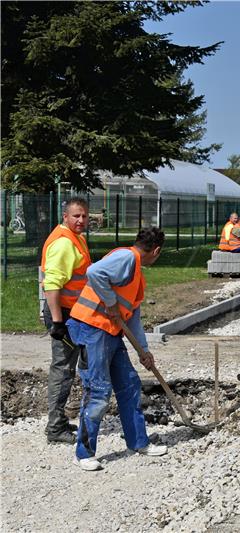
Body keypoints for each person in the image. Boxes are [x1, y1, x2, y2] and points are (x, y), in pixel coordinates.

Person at [66, 227, 168, 471]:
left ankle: (138, 442)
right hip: (92, 329)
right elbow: (94, 272)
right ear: (156, 250)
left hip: (110, 332)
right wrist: (110, 303)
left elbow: (132, 317)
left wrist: (144, 351)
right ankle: (84, 453)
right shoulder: (126, 258)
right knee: (98, 391)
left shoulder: (137, 275)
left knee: (130, 384)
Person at [40, 197, 92, 444]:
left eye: (84, 216)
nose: (81, 220)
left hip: (72, 312)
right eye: (76, 216)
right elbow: (51, 285)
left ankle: (58, 423)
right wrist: (58, 323)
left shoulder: (74, 238)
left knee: (66, 368)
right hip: (64, 314)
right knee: (62, 369)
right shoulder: (63, 244)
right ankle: (55, 428)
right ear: (65, 216)